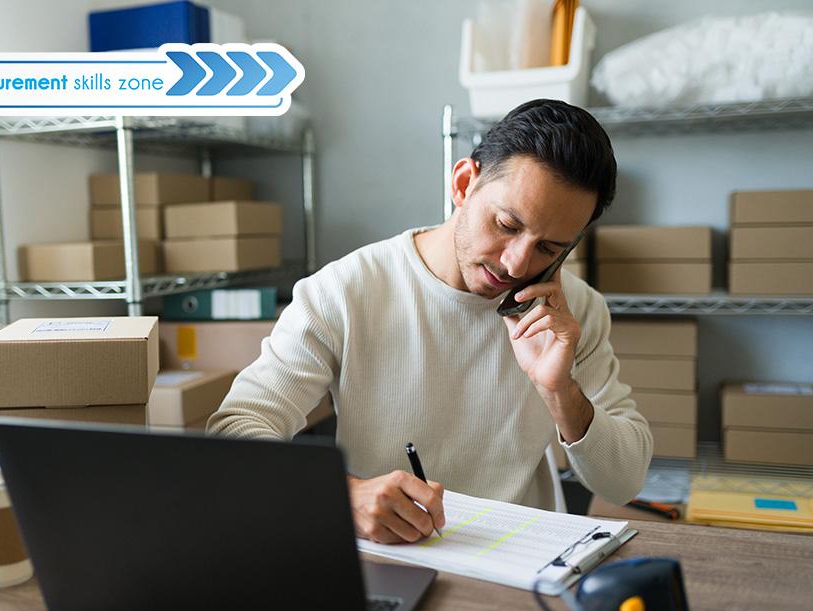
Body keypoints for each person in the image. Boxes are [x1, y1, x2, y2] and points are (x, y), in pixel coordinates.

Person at [208, 99, 653, 544]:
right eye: (506, 225)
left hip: (525, 562)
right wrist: (343, 496)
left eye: (549, 249)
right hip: (392, 554)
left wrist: (560, 391)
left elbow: (623, 482)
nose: (516, 264)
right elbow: (235, 431)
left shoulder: (573, 314)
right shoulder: (343, 291)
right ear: (463, 183)